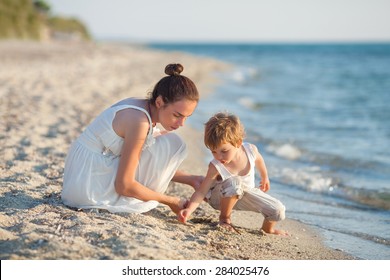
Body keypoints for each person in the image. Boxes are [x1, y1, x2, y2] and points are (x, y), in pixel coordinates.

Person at [62, 63, 203, 215]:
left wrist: (192, 180)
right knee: (174, 144)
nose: (182, 123)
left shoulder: (142, 106)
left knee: (164, 140)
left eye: (186, 117)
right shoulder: (139, 122)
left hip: (79, 178)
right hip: (88, 187)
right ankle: (149, 196)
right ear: (159, 102)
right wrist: (169, 201)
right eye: (177, 115)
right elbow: (123, 185)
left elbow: (143, 161)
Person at [178, 112, 287, 235]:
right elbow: (201, 192)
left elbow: (259, 160)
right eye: (214, 152)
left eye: (224, 151)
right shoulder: (216, 166)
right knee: (235, 181)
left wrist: (264, 177)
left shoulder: (250, 150)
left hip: (246, 194)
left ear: (238, 143)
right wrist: (189, 210)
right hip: (220, 197)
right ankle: (224, 218)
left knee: (278, 210)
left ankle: (268, 229)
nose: (219, 156)